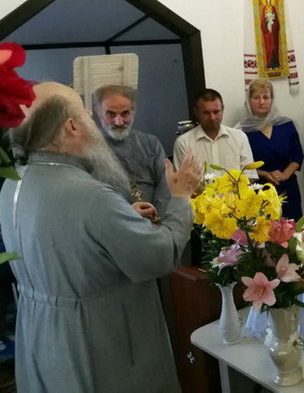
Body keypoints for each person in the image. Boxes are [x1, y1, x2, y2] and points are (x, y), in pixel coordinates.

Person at [0, 82, 203, 392]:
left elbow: (62, 239)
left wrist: (121, 220)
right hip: (98, 338)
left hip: (43, 333)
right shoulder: (90, 195)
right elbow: (159, 256)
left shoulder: (14, 183)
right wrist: (180, 196)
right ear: (72, 126)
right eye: (84, 112)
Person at [94, 84, 171, 218]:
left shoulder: (151, 144)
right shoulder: (89, 151)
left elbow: (166, 184)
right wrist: (128, 217)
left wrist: (156, 217)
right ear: (98, 111)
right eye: (110, 114)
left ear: (133, 112)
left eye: (125, 113)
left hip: (157, 223)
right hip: (115, 224)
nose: (118, 122)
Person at [238, 78, 304, 220]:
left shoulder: (286, 125)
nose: (261, 102)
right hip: (259, 190)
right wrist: (264, 174)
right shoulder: (241, 131)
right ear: (249, 101)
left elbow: (298, 156)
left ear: (272, 100)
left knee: (293, 234)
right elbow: (240, 166)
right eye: (256, 97)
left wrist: (285, 174)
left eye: (266, 97)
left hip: (288, 187)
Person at [173, 88, 257, 179]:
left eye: (216, 112)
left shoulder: (239, 137)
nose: (212, 117)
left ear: (223, 109)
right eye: (206, 113)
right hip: (200, 193)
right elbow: (181, 184)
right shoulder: (183, 143)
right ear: (196, 112)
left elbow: (249, 176)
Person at [261, 0, 280, 69]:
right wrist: (267, 24)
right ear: (266, 1)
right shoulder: (264, 9)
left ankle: (275, 64)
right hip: (268, 34)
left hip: (273, 33)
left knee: (274, 47)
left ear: (271, 0)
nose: (268, 1)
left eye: (269, 0)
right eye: (267, 0)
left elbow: (277, 23)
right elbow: (262, 22)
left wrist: (273, 24)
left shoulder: (274, 8)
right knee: (269, 48)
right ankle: (269, 64)